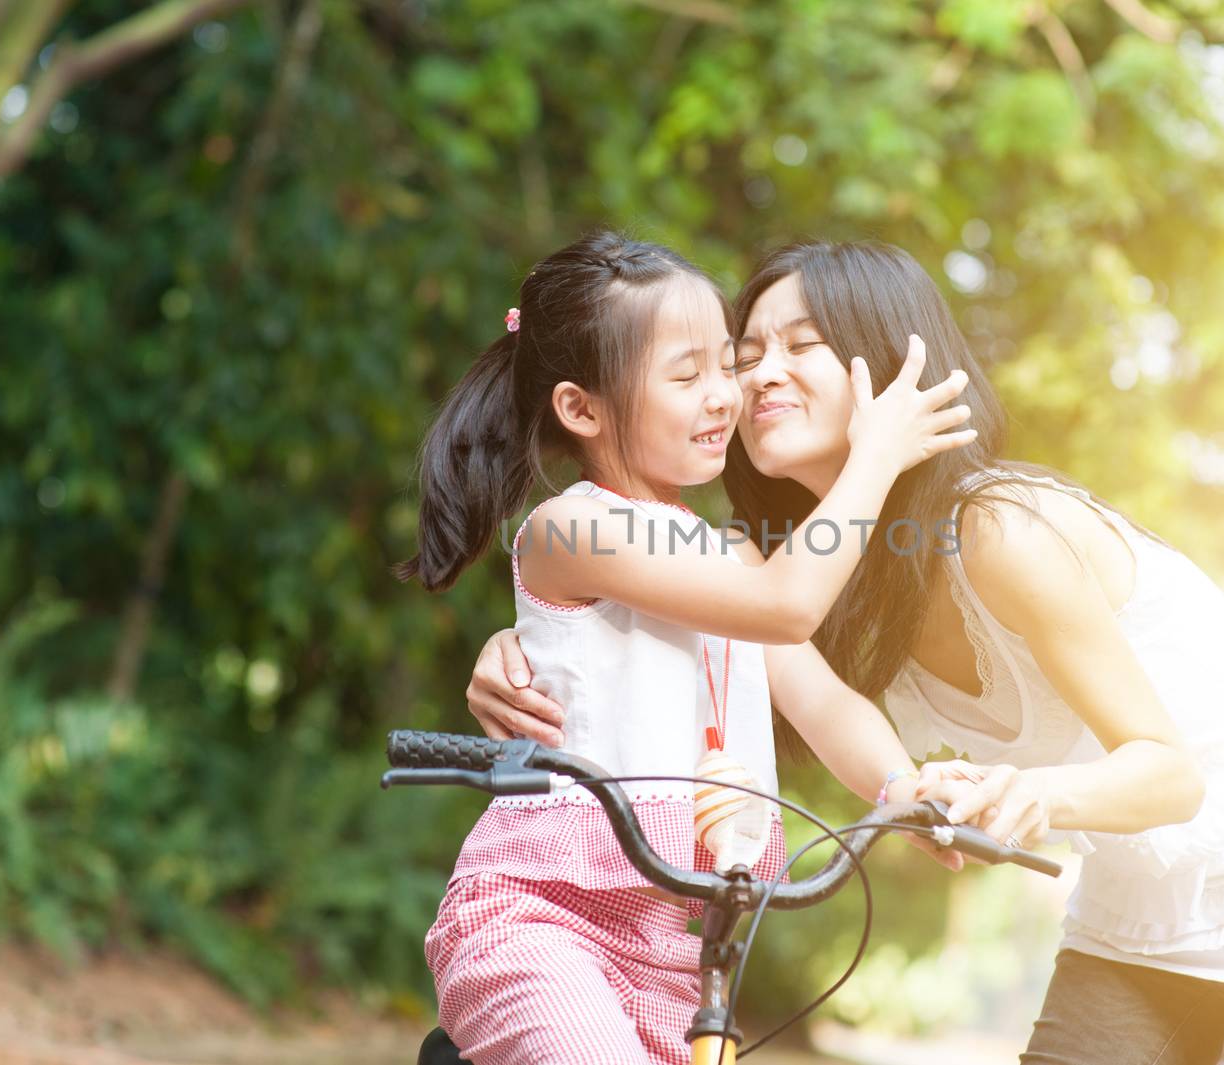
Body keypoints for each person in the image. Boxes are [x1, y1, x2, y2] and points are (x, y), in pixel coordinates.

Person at [467, 240, 1224, 1065]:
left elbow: (1166, 773)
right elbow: (725, 614)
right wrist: (531, 646)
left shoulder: (1001, 532)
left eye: (793, 349)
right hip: (1139, 896)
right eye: (739, 353)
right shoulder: (802, 565)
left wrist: (937, 794)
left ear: (890, 370)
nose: (749, 378)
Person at [399, 231, 974, 1065]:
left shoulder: (733, 557)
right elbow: (785, 606)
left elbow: (822, 701)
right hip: (543, 922)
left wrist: (904, 784)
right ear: (582, 408)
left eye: (723, 366)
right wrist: (876, 455)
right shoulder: (575, 526)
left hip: (682, 948)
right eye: (685, 374)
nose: (724, 396)